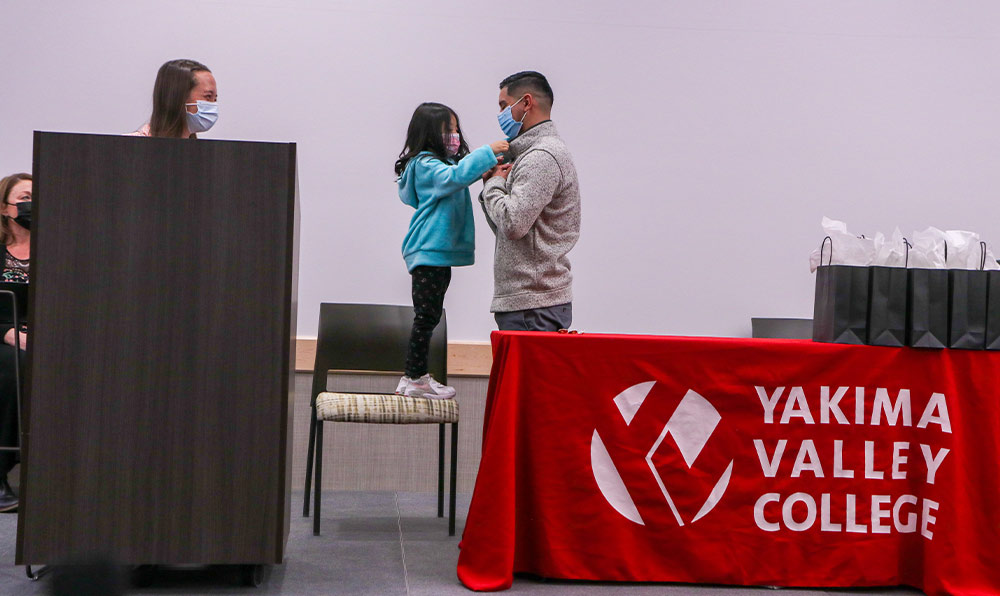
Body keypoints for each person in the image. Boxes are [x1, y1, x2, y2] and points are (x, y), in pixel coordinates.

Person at [394, 103, 508, 398]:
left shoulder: (437, 167)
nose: (455, 136)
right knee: (426, 317)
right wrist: (486, 152)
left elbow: (458, 176)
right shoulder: (425, 165)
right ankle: (415, 378)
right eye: (448, 130)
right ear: (429, 133)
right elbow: (453, 178)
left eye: (456, 130)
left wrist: (488, 168)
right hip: (429, 250)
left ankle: (412, 377)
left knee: (428, 316)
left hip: (434, 253)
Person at [480, 71, 581, 331]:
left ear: (526, 102)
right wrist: (492, 186)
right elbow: (507, 230)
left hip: (533, 305)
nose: (500, 114)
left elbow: (513, 224)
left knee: (529, 375)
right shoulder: (528, 155)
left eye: (504, 105)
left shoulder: (542, 156)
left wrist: (493, 185)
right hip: (526, 302)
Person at [0, 172, 31, 512]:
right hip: (3, 336)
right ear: (5, 208)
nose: (29, 206)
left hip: (47, 336)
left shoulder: (57, 247)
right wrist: (7, 332)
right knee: (16, 366)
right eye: (23, 198)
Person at [129, 59, 218, 138]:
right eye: (208, 96)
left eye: (215, 99)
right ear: (180, 97)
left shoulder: (201, 153)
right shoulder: (128, 146)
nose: (213, 105)